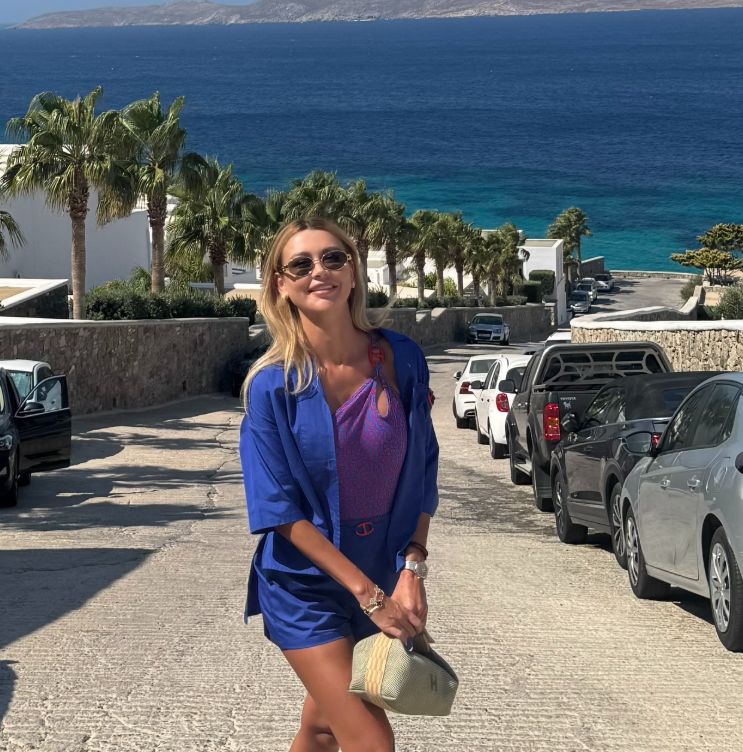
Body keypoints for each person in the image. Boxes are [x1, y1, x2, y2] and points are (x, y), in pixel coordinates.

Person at [239, 217, 439, 752]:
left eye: (333, 258)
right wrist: (369, 597)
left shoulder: (401, 358)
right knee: (371, 741)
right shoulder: (271, 386)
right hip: (306, 585)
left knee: (324, 729)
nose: (319, 271)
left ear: (352, 272)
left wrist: (412, 568)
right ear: (280, 284)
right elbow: (278, 509)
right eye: (300, 264)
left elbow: (424, 467)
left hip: (383, 570)